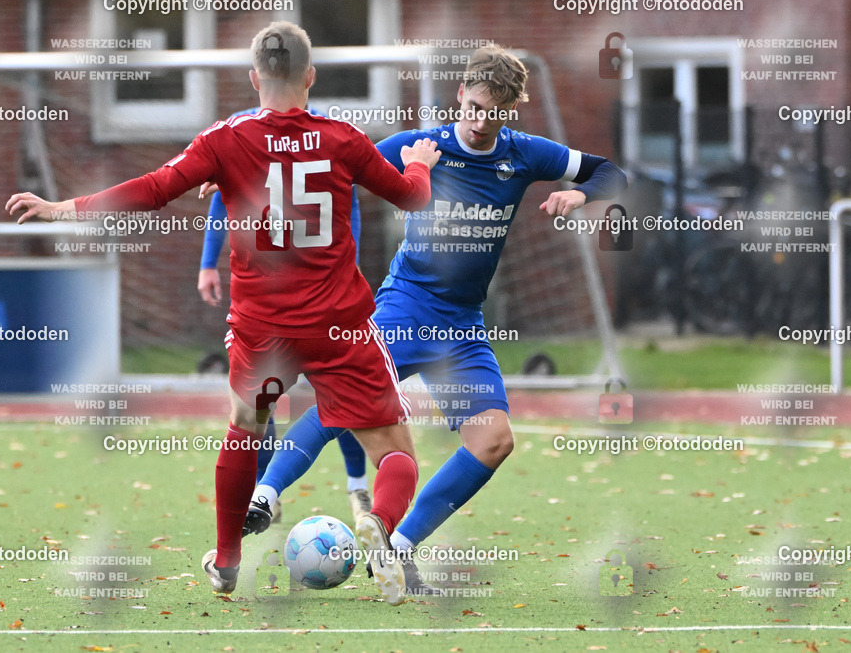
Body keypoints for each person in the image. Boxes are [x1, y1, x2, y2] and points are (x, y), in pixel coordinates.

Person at [5, 21, 442, 606]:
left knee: (245, 429)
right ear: (310, 76)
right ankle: (381, 525)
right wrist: (419, 163)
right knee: (395, 452)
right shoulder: (344, 138)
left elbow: (156, 188)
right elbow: (411, 197)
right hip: (339, 325)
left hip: (264, 329)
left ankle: (228, 560)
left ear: (254, 77)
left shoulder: (226, 139)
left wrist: (66, 207)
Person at [240, 44, 628, 594]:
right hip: (407, 306)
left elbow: (612, 173)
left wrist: (580, 196)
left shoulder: (525, 155)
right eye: (471, 107)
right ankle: (267, 494)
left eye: (492, 114)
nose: (478, 122)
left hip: (463, 326)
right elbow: (331, 169)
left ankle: (396, 548)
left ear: (509, 111)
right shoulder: (423, 148)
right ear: (459, 97)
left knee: (494, 439)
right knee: (343, 403)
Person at [196, 113, 372, 527]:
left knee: (341, 393)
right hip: (267, 299)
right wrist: (207, 264)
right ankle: (264, 496)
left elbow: (353, 202)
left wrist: (351, 265)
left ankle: (357, 485)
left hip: (319, 295)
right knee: (262, 398)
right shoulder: (239, 134)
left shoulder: (328, 136)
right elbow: (221, 198)